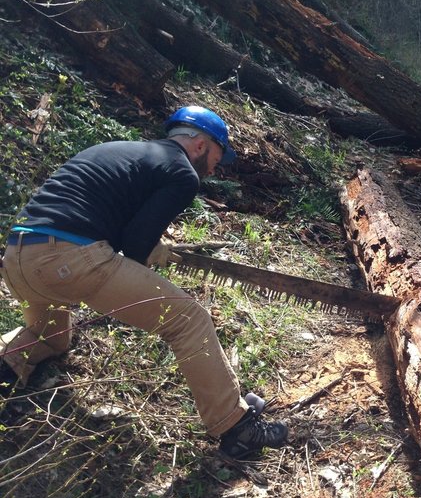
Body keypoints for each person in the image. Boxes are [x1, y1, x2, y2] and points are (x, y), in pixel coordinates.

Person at [0, 106, 288, 459]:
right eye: (217, 157)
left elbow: (109, 218)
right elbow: (135, 246)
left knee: (52, 339)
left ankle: (6, 365)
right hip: (68, 259)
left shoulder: (120, 150)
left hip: (18, 258)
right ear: (199, 145)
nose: (215, 169)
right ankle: (236, 427)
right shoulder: (183, 172)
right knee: (188, 319)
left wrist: (147, 246)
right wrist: (149, 250)